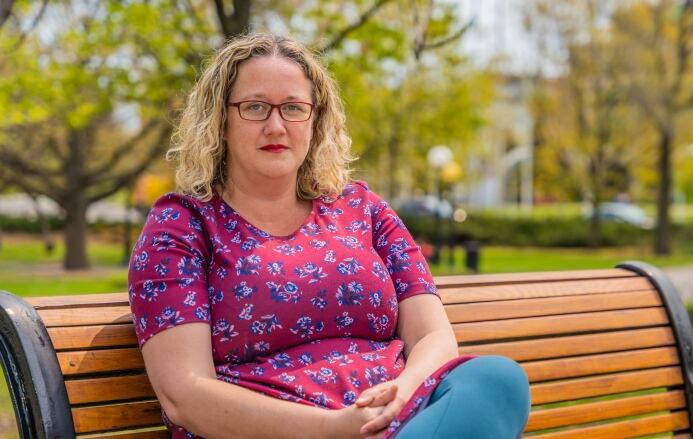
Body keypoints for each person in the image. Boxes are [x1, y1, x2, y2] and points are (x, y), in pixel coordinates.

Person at [128, 33, 530, 439]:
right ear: (220, 120)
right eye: (254, 107)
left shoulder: (364, 210)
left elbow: (432, 334)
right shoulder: (182, 227)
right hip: (278, 432)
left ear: (316, 119)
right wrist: (332, 429)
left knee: (496, 380)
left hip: (400, 419)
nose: (275, 125)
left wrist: (401, 395)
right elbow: (185, 395)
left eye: (293, 108)